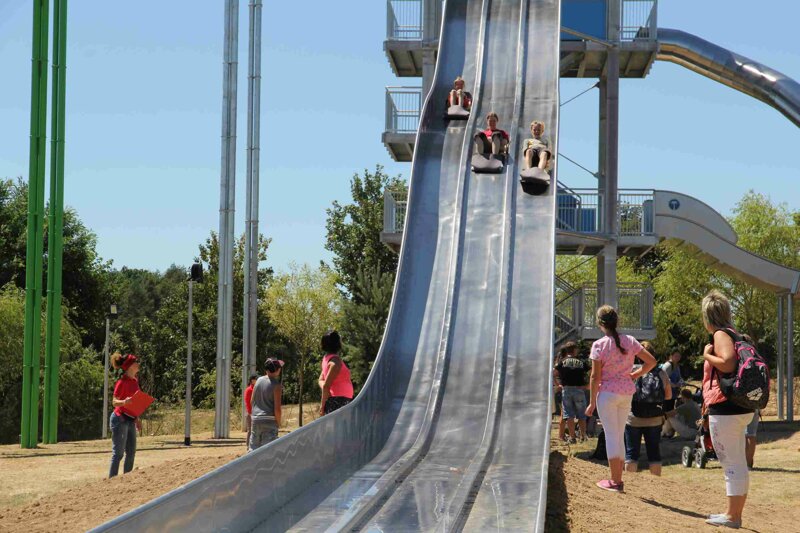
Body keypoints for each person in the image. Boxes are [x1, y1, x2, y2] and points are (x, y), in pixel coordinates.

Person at [585, 305, 657, 493]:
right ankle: (618, 479)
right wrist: (635, 375)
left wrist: (592, 402)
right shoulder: (630, 341)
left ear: (600, 323)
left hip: (607, 393)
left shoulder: (599, 345)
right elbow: (652, 362)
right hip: (626, 392)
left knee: (611, 436)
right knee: (619, 434)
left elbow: (595, 377)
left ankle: (615, 480)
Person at [700, 290, 754, 529]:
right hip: (740, 406)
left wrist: (706, 356)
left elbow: (728, 362)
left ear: (707, 316)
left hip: (726, 408)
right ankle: (733, 513)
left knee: (731, 463)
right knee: (737, 461)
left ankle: (733, 516)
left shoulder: (721, 334)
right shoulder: (737, 334)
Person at [624, 343, 671, 476]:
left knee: (631, 453)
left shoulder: (631, 371)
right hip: (655, 418)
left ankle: (631, 484)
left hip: (633, 418)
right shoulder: (661, 372)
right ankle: (655, 485)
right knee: (654, 452)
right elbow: (668, 396)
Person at [109, 353, 141, 478]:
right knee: (118, 453)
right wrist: (124, 402)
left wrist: (137, 418)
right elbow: (114, 402)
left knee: (131, 452)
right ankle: (112, 480)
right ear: (130, 367)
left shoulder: (135, 381)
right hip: (120, 419)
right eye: (135, 362)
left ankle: (126, 479)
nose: (138, 364)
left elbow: (135, 402)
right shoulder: (121, 382)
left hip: (130, 420)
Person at [555, 341, 590, 443]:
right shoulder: (580, 362)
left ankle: (572, 437)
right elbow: (591, 371)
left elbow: (553, 373)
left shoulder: (562, 362)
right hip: (579, 389)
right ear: (574, 350)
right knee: (581, 415)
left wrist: (558, 384)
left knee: (568, 415)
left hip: (566, 390)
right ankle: (583, 436)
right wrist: (587, 384)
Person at [249, 358, 284, 452]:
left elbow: (252, 400)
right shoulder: (277, 386)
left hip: (256, 419)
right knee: (268, 451)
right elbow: (277, 409)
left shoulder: (259, 380)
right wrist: (279, 422)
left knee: (254, 448)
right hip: (269, 421)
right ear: (278, 370)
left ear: (266, 369)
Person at [318, 330, 354, 415]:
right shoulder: (335, 362)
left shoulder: (326, 359)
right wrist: (322, 406)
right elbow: (326, 385)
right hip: (338, 401)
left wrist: (326, 387)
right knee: (340, 428)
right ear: (338, 344)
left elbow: (321, 380)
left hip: (337, 400)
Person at [244, 374, 258, 446]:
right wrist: (250, 412)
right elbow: (248, 402)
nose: (256, 380)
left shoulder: (256, 389)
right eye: (255, 379)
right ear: (251, 380)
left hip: (256, 413)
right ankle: (247, 446)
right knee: (250, 430)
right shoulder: (249, 390)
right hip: (251, 413)